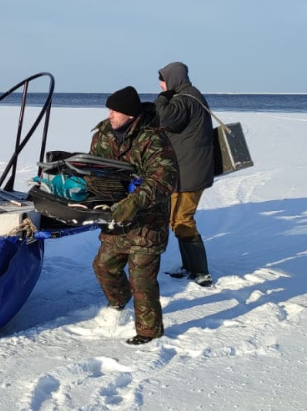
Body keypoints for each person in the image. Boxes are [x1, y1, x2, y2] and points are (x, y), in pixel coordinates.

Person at [90, 86, 177, 345]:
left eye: (115, 110)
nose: (110, 115)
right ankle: (118, 303)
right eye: (109, 109)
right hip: (115, 217)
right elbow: (95, 170)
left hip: (147, 220)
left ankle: (149, 331)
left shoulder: (154, 139)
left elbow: (163, 181)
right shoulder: (103, 135)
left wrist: (133, 202)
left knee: (141, 278)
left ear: (130, 115)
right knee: (104, 266)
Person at [154, 62, 215, 287]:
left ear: (173, 79)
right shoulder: (191, 96)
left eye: (163, 80)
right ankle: (191, 267)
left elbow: (165, 119)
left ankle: (201, 271)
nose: (161, 85)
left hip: (190, 172)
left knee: (182, 220)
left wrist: (162, 98)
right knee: (177, 220)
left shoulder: (183, 99)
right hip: (191, 169)